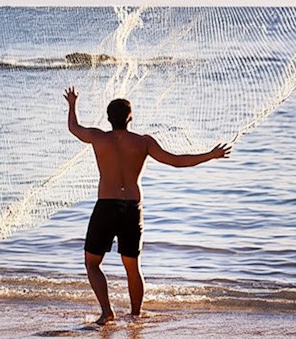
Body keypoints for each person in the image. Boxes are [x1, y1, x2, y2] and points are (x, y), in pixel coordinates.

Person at [64, 87, 230, 325]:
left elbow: (74, 128)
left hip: (107, 206)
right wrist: (210, 155)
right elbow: (176, 161)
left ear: (109, 118)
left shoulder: (99, 137)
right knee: (132, 266)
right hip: (132, 207)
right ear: (130, 118)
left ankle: (106, 312)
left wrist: (72, 104)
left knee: (92, 263)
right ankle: (135, 315)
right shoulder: (143, 142)